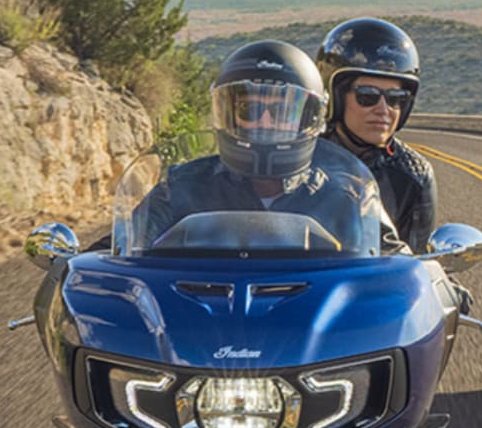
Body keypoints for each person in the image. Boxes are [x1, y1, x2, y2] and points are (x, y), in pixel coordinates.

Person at [125, 39, 390, 251]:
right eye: (249, 108)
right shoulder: (180, 187)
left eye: (281, 110)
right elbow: (117, 252)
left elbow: (401, 265)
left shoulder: (347, 200)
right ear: (226, 113)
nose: (264, 121)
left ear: (309, 118)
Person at [315, 17, 437, 254]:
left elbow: (417, 268)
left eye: (396, 99)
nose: (383, 109)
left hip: (375, 289)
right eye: (367, 95)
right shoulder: (298, 160)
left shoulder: (412, 174)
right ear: (335, 97)